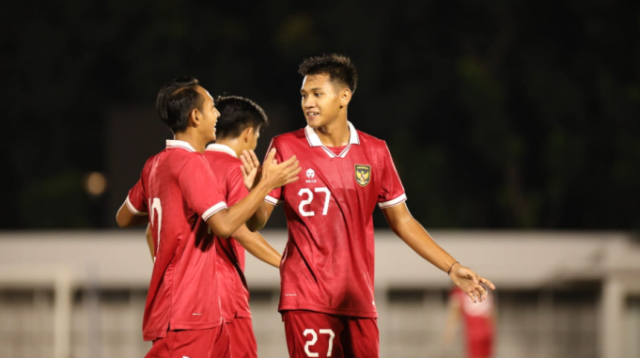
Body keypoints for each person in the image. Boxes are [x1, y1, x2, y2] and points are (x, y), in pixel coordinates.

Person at [240, 54, 495, 358]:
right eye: (304, 95)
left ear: (344, 96)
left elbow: (403, 221)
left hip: (359, 300)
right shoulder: (285, 146)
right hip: (306, 298)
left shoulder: (375, 151)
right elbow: (256, 223)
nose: (308, 102)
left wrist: (451, 267)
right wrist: (259, 188)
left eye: (317, 94)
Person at [115, 76, 300, 358]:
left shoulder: (154, 164)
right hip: (189, 309)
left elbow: (124, 218)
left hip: (191, 306)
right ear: (195, 116)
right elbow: (227, 226)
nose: (217, 114)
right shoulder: (192, 163)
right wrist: (265, 184)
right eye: (212, 107)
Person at [145, 95, 281, 358]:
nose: (256, 143)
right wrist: (287, 263)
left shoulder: (182, 162)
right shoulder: (235, 169)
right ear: (248, 133)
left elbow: (152, 232)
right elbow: (240, 231)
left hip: (182, 300)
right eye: (257, 136)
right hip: (222, 297)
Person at [442, 287, 496, 358]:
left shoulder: (459, 291)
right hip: (487, 331)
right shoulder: (482, 288)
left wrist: (448, 333)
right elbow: (492, 314)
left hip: (474, 333)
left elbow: (454, 314)